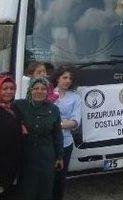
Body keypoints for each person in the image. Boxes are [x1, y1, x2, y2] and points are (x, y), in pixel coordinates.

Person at [15, 77, 64, 200]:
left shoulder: (53, 109)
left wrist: (59, 156)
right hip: (26, 156)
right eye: (36, 88)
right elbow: (2, 105)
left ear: (48, 92)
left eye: (43, 89)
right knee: (27, 189)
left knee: (45, 189)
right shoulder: (19, 105)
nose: (39, 91)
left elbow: (57, 134)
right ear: (30, 90)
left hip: (46, 156)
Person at [51, 66, 82, 200]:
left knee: (60, 178)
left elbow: (75, 122)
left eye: (70, 78)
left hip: (66, 143)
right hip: (47, 142)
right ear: (57, 78)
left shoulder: (75, 97)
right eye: (64, 77)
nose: (68, 81)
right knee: (46, 177)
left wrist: (55, 125)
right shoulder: (47, 93)